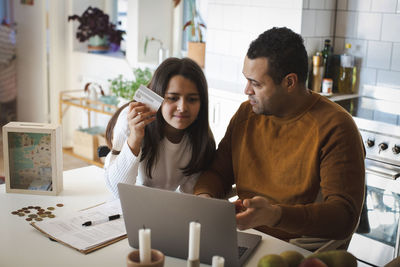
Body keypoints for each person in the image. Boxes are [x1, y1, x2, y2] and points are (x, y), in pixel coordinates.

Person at [193, 27, 365, 246]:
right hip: (241, 237)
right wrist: (205, 198)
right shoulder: (246, 115)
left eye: (256, 83)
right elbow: (218, 172)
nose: (247, 90)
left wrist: (274, 215)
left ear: (289, 82)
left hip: (294, 247)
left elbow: (344, 218)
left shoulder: (336, 127)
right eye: (247, 80)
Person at [104, 57, 215, 198]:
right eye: (173, 98)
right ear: (158, 97)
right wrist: (135, 138)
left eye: (192, 99)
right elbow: (117, 191)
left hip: (165, 208)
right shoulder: (131, 120)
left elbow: (191, 193)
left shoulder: (200, 137)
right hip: (127, 206)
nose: (182, 108)